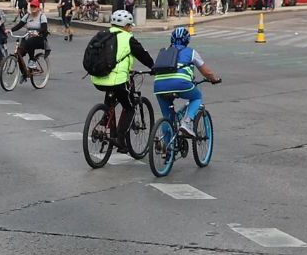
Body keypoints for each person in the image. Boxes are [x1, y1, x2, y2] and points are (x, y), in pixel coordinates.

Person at [89, 10, 156, 153]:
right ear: (126, 26)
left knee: (111, 97)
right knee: (130, 106)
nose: (131, 28)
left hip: (97, 78)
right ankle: (120, 139)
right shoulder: (128, 38)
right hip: (117, 80)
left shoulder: (102, 35)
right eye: (130, 25)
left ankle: (105, 119)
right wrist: (153, 67)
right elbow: (143, 55)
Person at [152, 26, 221, 138]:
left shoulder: (164, 51)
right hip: (181, 84)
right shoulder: (191, 52)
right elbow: (206, 72)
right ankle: (187, 122)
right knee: (197, 97)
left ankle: (167, 149)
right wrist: (214, 79)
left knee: (167, 117)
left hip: (159, 86)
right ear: (187, 40)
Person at [11, 0, 49, 81]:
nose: (33, 8)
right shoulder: (27, 16)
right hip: (27, 37)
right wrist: (10, 30)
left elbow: (44, 28)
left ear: (38, 8)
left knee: (30, 42)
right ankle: (25, 74)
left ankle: (32, 60)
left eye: (35, 6)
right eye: (31, 6)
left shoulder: (42, 16)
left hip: (39, 38)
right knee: (19, 54)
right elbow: (19, 25)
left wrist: (38, 32)